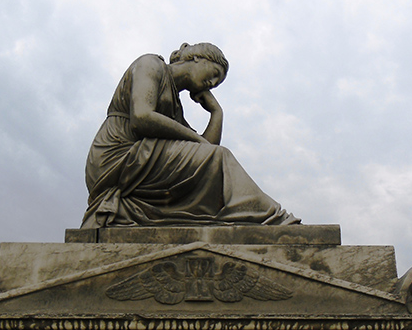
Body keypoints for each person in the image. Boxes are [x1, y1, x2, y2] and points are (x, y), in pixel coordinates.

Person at [81, 42, 300, 228]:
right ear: (197, 58)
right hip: (118, 153)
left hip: (142, 156)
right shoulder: (151, 64)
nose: (212, 84)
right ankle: (273, 218)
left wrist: (217, 112)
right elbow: (142, 117)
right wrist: (196, 140)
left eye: (217, 83)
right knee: (220, 157)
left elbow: (205, 153)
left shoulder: (176, 110)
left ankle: (263, 217)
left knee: (216, 160)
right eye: (214, 74)